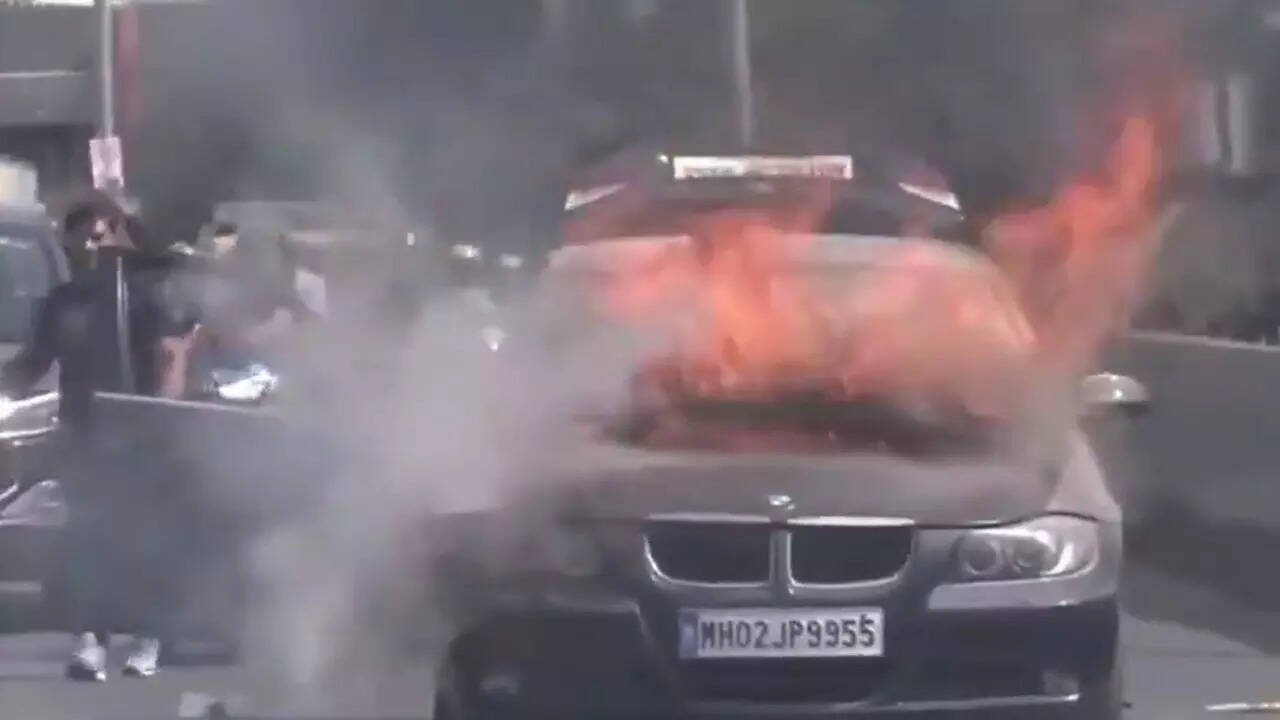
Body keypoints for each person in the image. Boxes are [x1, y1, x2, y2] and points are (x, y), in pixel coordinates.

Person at [0, 193, 199, 681]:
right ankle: (90, 640)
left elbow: (171, 358)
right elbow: (33, 363)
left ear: (117, 234)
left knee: (145, 541)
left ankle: (150, 638)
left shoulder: (150, 293)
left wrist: (162, 415)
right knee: (87, 539)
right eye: (79, 240)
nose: (88, 248)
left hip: (143, 438)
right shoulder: (63, 302)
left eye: (97, 236)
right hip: (84, 438)